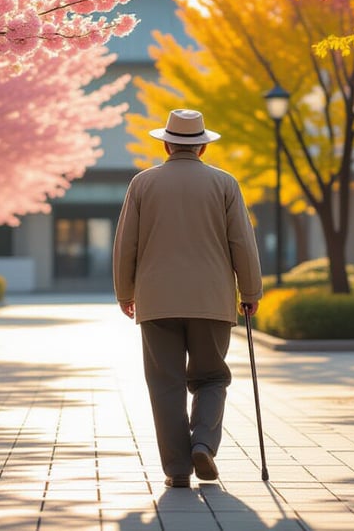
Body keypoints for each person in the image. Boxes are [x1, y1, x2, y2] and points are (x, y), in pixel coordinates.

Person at [112, 109, 263, 489]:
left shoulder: (142, 184)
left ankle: (177, 469)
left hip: (157, 299)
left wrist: (125, 292)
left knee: (165, 383)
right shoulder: (224, 184)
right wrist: (250, 292)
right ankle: (203, 444)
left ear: (165, 143)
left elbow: (125, 244)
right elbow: (242, 243)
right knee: (212, 377)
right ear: (202, 147)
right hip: (211, 300)